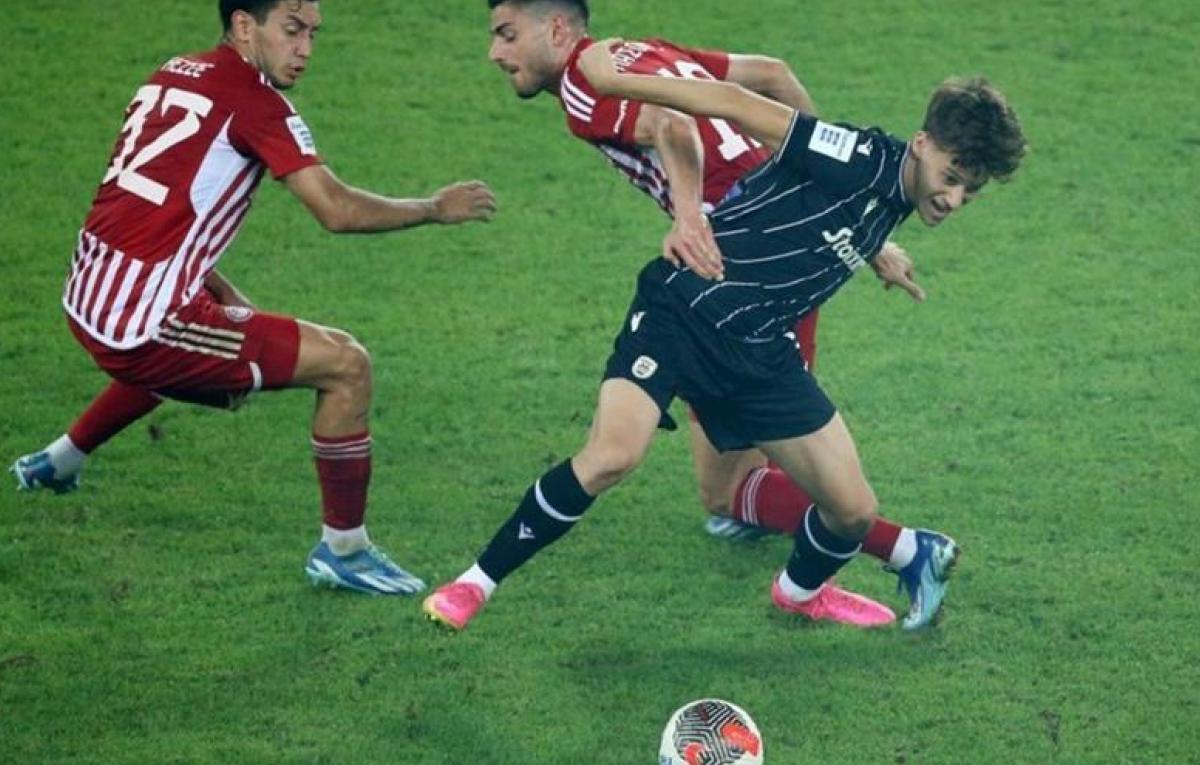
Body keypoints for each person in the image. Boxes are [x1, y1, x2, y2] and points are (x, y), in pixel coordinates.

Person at [425, 37, 1025, 631]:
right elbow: (735, 102)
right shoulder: (859, 156)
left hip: (759, 352)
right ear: (921, 144)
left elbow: (831, 204)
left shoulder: (893, 195)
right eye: (950, 177)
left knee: (853, 510)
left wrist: (877, 251)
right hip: (683, 312)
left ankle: (798, 594)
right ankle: (473, 583)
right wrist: (613, 83)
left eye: (970, 191)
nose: (954, 198)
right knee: (612, 456)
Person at [11, 0, 497, 596]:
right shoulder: (258, 104)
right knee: (347, 365)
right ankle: (344, 550)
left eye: (313, 34)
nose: (305, 50)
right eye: (292, 31)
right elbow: (336, 210)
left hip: (89, 288)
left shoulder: (173, 72)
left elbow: (155, 207)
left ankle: (57, 462)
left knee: (206, 342)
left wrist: (225, 303)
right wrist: (432, 208)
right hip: (143, 322)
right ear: (244, 25)